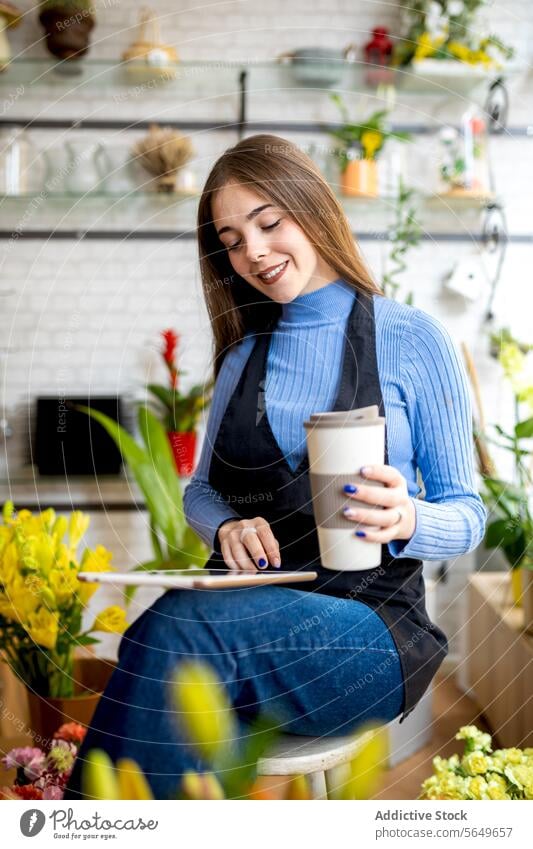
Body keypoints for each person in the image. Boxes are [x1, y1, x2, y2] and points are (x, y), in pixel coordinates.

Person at [65, 134, 486, 799]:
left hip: (369, 632)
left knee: (175, 631)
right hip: (239, 613)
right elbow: (200, 491)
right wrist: (225, 527)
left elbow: (469, 513)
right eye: (232, 239)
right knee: (173, 645)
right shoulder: (242, 357)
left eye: (268, 222)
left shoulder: (411, 339)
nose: (253, 251)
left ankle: (81, 819)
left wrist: (406, 518)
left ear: (310, 207)